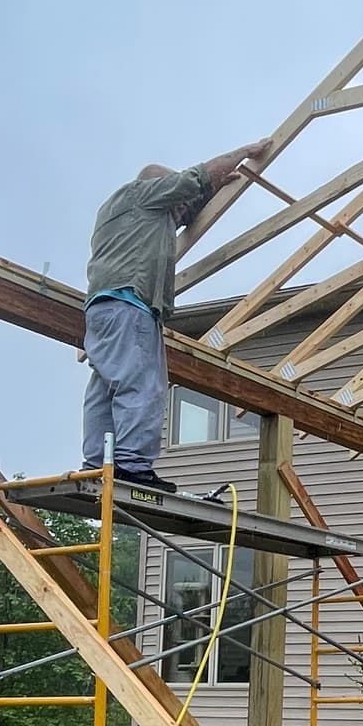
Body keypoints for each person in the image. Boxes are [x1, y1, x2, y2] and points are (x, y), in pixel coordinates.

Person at [80, 139, 269, 490]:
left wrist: (198, 200)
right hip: (131, 305)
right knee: (143, 386)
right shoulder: (146, 194)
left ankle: (97, 464)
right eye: (177, 204)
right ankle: (133, 466)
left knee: (106, 386)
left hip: (101, 308)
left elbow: (189, 207)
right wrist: (245, 152)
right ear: (160, 188)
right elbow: (198, 177)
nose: (181, 213)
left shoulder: (117, 211)